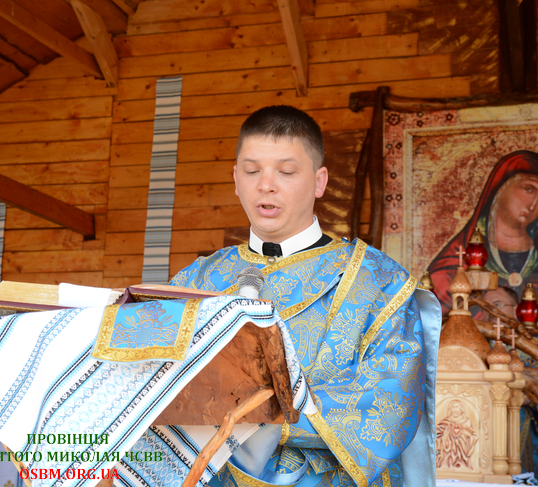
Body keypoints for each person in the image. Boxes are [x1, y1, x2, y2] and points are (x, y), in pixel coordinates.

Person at [169, 106, 441, 487]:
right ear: (235, 179)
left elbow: (389, 402)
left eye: (286, 171)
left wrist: (260, 418)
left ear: (319, 181)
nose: (266, 185)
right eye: (252, 171)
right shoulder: (196, 279)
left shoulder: (379, 281)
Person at [427, 151, 538, 315]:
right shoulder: (457, 258)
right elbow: (431, 317)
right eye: (528, 189)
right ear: (502, 187)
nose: (533, 205)